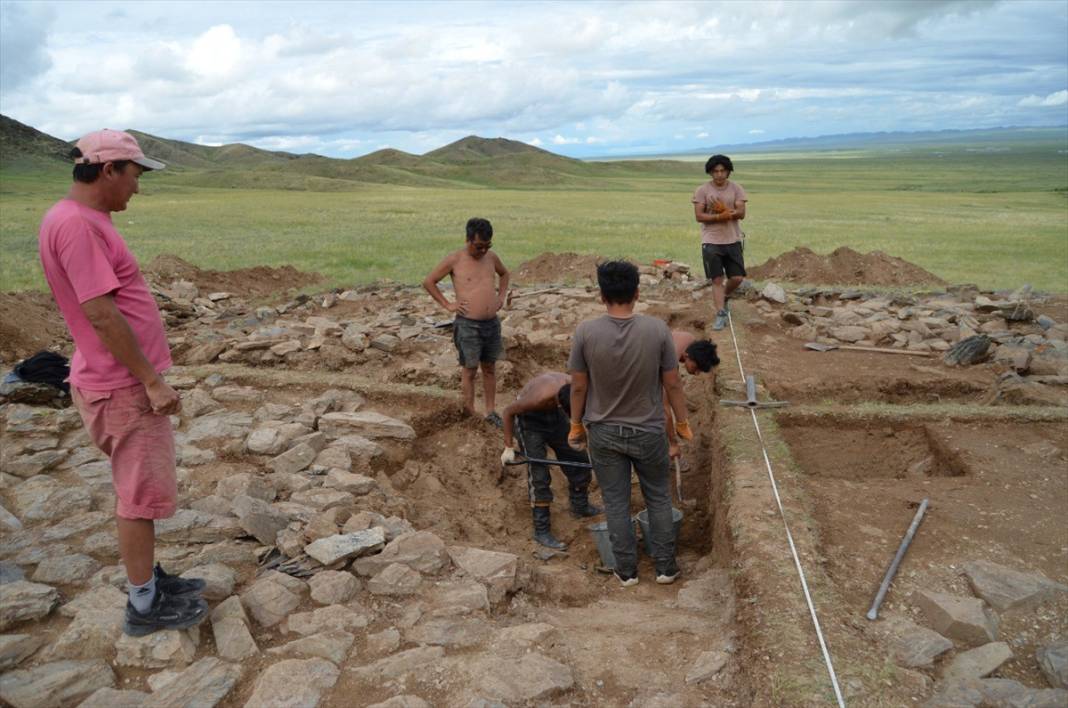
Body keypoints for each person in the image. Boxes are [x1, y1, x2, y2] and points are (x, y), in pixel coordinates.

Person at [37, 130, 207, 636]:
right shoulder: (78, 226)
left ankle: (149, 577)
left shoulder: (80, 218)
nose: (138, 186)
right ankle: (143, 604)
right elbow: (101, 313)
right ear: (109, 170)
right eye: (136, 174)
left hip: (115, 380)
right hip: (123, 387)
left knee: (138, 488)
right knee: (138, 495)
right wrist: (151, 381)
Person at [567, 260, 693, 587]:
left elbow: (578, 386)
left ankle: (627, 571)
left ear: (601, 295)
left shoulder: (586, 333)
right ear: (637, 293)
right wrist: (681, 423)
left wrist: (576, 424)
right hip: (650, 432)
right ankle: (665, 569)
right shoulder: (657, 331)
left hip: (604, 433)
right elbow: (673, 384)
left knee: (616, 503)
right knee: (658, 499)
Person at [423, 218, 510, 427]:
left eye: (487, 246)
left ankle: (491, 411)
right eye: (479, 246)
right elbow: (429, 281)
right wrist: (447, 304)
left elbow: (505, 273)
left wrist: (501, 297)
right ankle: (470, 414)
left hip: (491, 324)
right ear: (467, 240)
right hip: (468, 325)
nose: (483, 251)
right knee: (470, 370)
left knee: (489, 368)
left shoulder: (491, 257)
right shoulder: (455, 260)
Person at [500, 372, 602, 550]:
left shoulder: (576, 387)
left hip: (555, 416)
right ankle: (541, 530)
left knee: (577, 456)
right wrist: (508, 447)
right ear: (560, 403)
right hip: (529, 420)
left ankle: (580, 505)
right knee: (539, 472)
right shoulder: (538, 399)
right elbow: (508, 412)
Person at [693, 154, 748, 331]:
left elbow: (742, 213)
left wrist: (726, 212)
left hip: (732, 238)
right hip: (711, 240)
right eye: (715, 171)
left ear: (728, 171)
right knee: (717, 279)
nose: (719, 174)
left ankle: (723, 297)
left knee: (737, 278)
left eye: (723, 170)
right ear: (710, 172)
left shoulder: (737, 189)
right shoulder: (702, 190)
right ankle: (720, 314)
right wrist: (718, 216)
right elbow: (699, 216)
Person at [665, 330, 719, 459]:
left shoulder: (688, 338)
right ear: (687, 355)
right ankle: (664, 457)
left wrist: (680, 419)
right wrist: (673, 443)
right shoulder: (669, 362)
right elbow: (664, 409)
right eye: (697, 368)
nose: (696, 373)